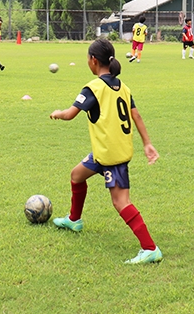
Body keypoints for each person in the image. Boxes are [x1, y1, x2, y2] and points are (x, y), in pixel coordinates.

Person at [50, 39, 162, 264]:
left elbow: (71, 113)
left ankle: (150, 248)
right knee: (76, 175)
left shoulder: (93, 88)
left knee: (121, 202)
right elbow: (136, 115)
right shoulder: (123, 87)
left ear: (93, 60)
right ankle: (74, 220)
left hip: (112, 156)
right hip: (104, 152)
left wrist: (57, 112)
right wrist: (147, 143)